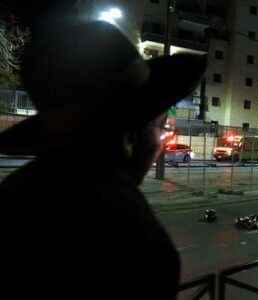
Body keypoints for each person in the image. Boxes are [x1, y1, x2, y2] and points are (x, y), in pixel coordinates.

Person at [0, 20, 206, 299]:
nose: (160, 142)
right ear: (131, 135)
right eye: (160, 126)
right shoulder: (136, 242)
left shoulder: (13, 196)